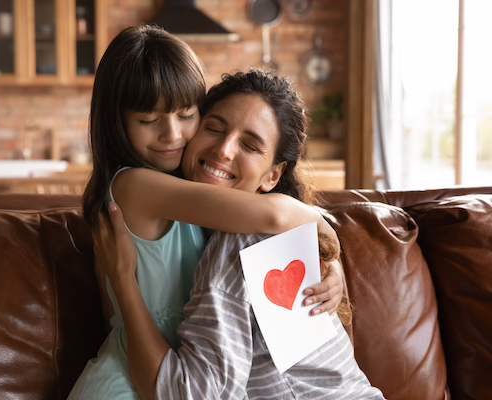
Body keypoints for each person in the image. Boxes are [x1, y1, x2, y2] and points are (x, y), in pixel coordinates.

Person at [68, 25, 344, 400]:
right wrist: (325, 229)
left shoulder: (192, 197)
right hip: (130, 383)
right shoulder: (134, 186)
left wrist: (331, 265)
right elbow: (276, 216)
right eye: (148, 121)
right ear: (116, 122)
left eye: (187, 115)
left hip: (165, 368)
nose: (172, 135)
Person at [96, 70, 386, 399]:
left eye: (249, 145)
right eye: (214, 128)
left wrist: (327, 242)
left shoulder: (243, 243)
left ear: (273, 176)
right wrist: (326, 246)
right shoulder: (186, 221)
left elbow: (187, 394)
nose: (224, 150)